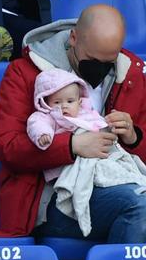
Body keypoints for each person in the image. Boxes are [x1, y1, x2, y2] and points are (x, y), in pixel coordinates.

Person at [0, 4, 146, 242]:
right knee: (138, 205)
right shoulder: (24, 73)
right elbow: (7, 146)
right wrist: (72, 146)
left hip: (116, 179)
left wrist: (133, 138)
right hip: (51, 197)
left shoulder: (129, 74)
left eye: (109, 62)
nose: (101, 70)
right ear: (73, 38)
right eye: (93, 60)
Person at [22, 68, 146, 240]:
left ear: (80, 102)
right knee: (140, 203)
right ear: (46, 103)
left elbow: (101, 130)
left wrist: (120, 130)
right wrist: (46, 137)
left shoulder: (87, 115)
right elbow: (35, 125)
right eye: (57, 102)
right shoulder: (48, 116)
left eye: (70, 101)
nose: (64, 106)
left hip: (102, 169)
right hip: (65, 183)